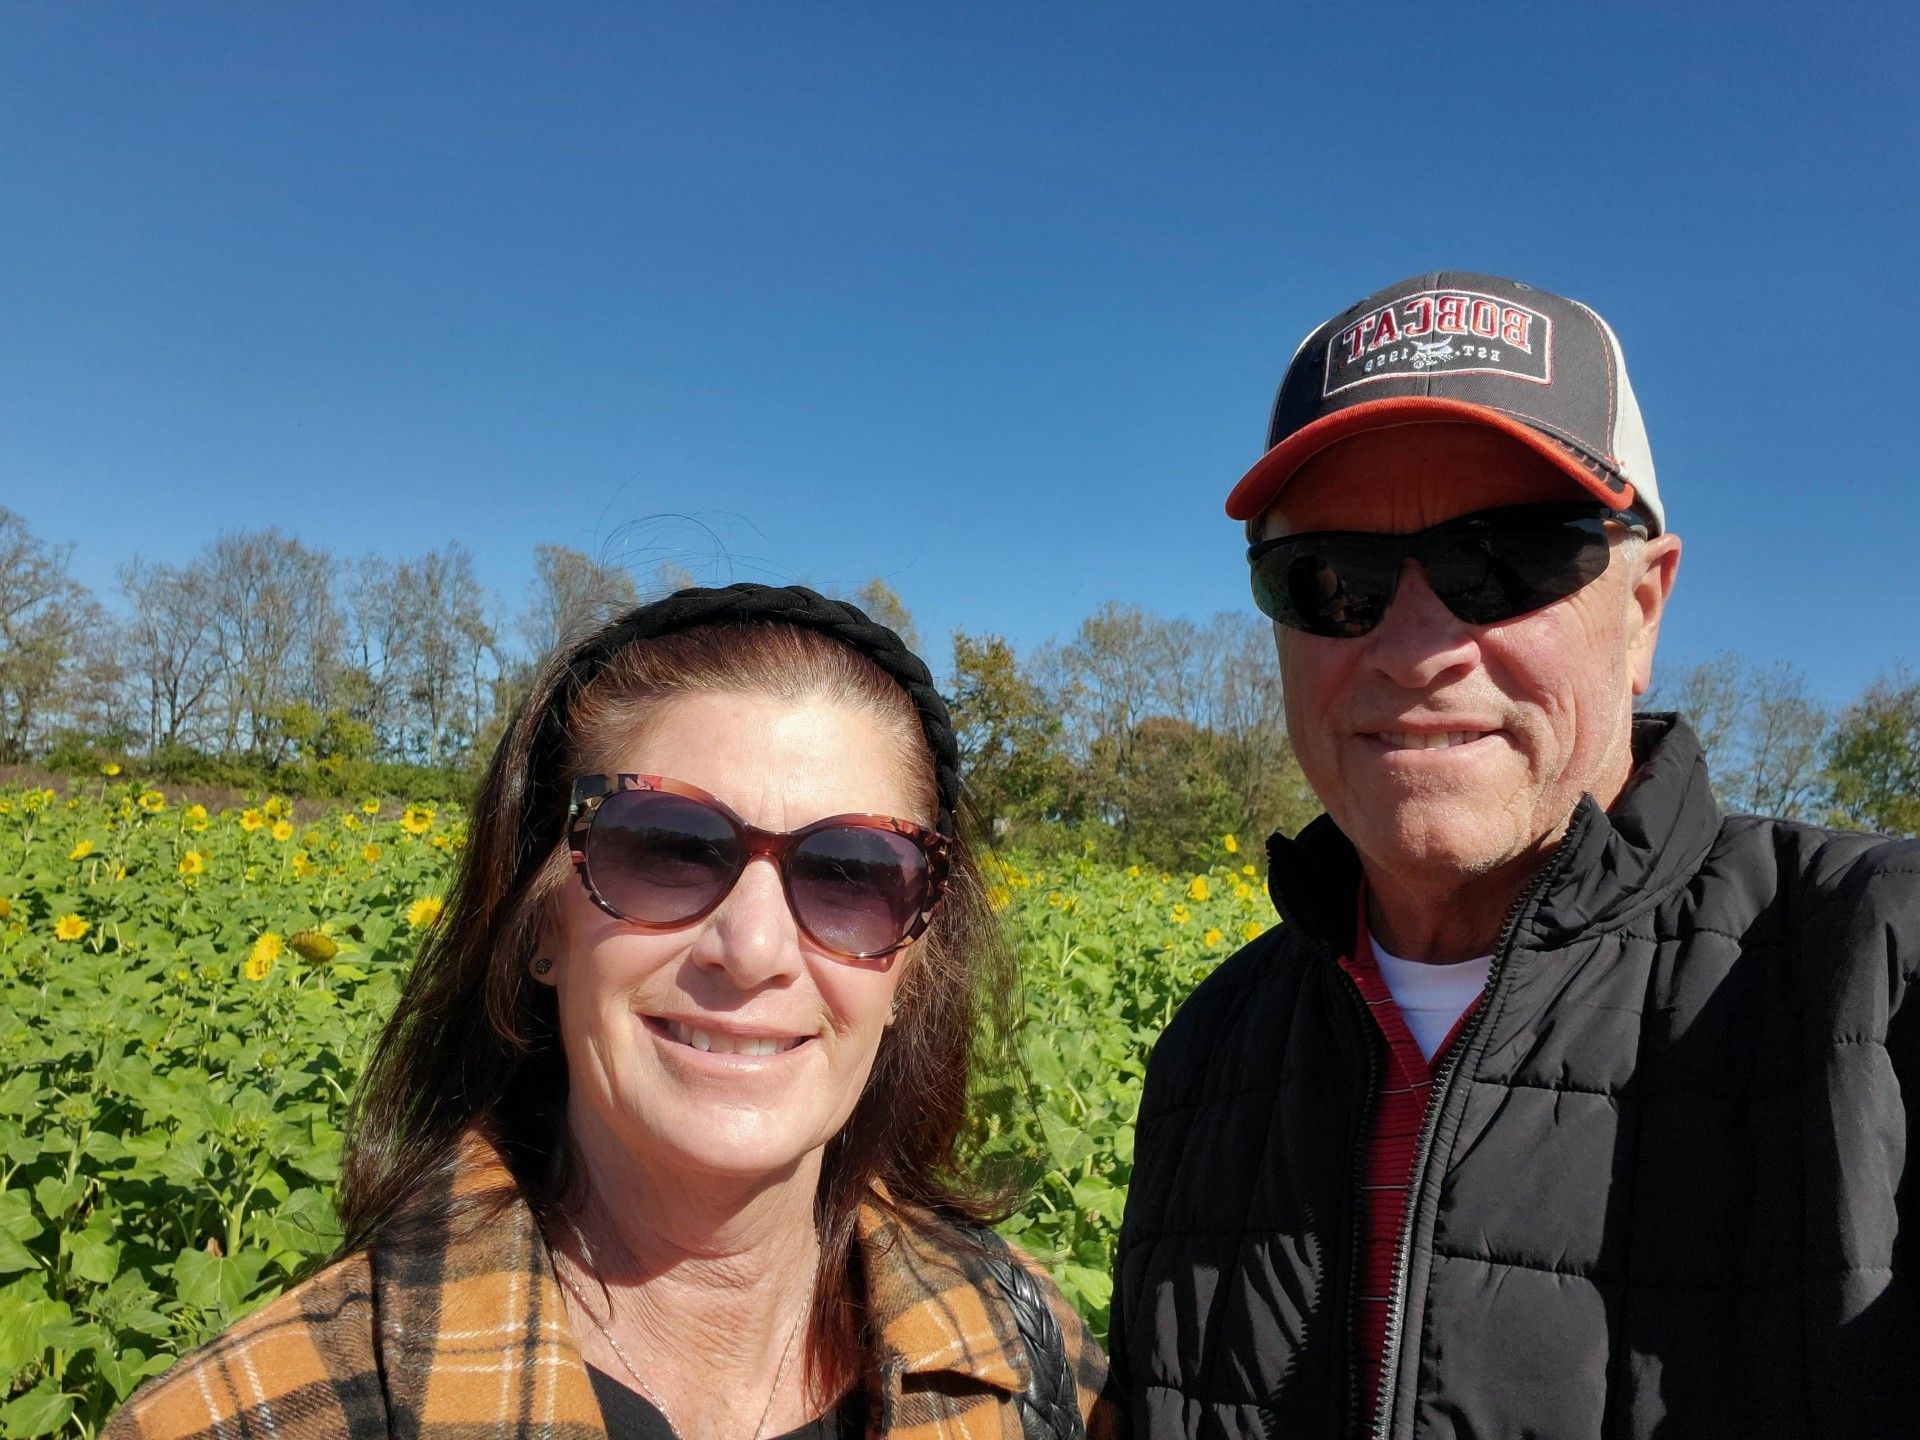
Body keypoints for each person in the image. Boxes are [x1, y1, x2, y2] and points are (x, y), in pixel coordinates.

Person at [1110, 272, 1920, 1438]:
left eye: (1508, 561)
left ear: (1644, 608)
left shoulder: (1873, 970)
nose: (1417, 645)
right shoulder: (1206, 1052)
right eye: (1331, 579)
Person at [108, 585, 1119, 1440]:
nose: (754, 949)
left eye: (854, 874)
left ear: (910, 965)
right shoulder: (255, 1413)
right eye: (668, 847)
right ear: (539, 923)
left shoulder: (1037, 1368)